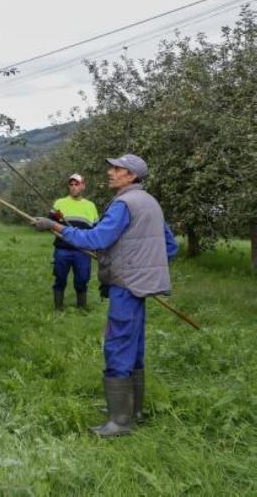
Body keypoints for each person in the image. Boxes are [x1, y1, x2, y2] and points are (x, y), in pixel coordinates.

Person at [33, 154, 178, 437]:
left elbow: (96, 239)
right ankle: (131, 410)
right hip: (138, 285)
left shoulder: (124, 204)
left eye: (117, 169)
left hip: (126, 286)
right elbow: (169, 246)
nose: (110, 173)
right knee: (134, 348)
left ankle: (119, 423)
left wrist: (55, 227)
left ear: (131, 176)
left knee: (118, 345)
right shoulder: (150, 202)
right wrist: (142, 268)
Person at [48, 174, 99, 311]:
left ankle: (82, 307)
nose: (73, 187)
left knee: (82, 280)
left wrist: (95, 247)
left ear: (83, 186)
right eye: (71, 184)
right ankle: (58, 307)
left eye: (77, 184)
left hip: (82, 250)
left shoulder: (90, 206)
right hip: (62, 249)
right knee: (60, 279)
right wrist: (49, 223)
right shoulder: (60, 203)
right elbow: (51, 222)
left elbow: (95, 229)